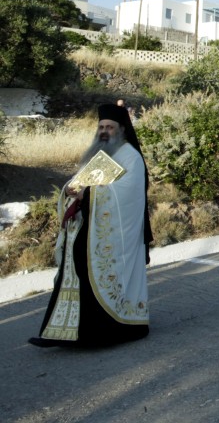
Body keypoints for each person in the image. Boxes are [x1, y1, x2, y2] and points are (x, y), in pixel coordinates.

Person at [30, 104, 151, 348]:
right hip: (87, 227)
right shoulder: (101, 155)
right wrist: (70, 189)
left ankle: (98, 333)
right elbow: (80, 182)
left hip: (115, 235)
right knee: (72, 268)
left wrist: (92, 194)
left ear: (121, 129)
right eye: (101, 127)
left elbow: (129, 195)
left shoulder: (131, 156)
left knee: (93, 272)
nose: (104, 131)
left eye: (109, 127)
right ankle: (61, 331)